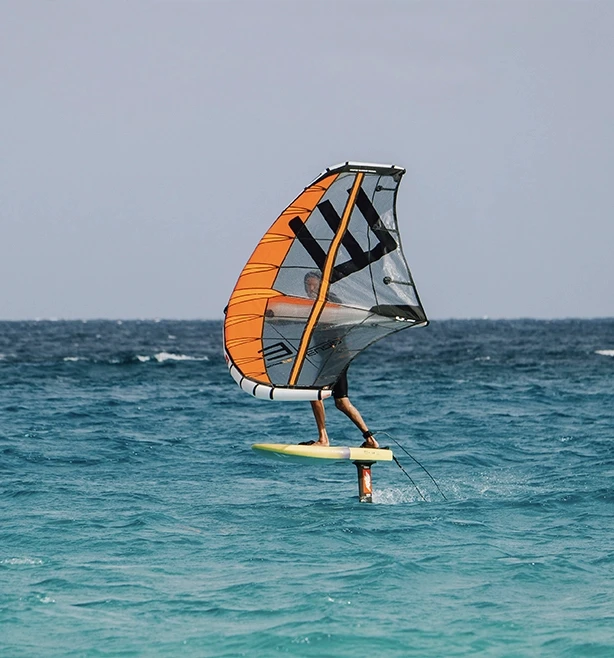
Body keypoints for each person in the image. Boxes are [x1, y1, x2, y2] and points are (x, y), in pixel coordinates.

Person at [299, 271, 379, 449]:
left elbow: (339, 322)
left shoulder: (331, 301)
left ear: (322, 286)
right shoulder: (311, 305)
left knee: (314, 393)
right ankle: (371, 440)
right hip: (336, 359)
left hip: (336, 358)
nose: (310, 289)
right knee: (342, 402)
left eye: (314, 285)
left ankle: (323, 439)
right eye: (308, 286)